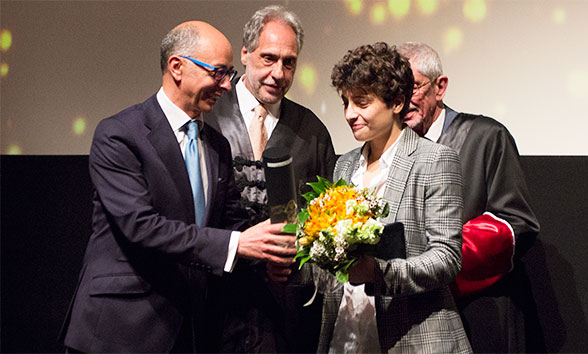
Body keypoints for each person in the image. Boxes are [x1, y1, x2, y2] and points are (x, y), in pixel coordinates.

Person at [59, 21, 297, 353]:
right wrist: (239, 243)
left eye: (229, 74)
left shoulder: (215, 144)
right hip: (119, 330)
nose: (227, 85)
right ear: (177, 67)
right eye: (218, 73)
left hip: (190, 330)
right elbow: (141, 226)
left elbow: (230, 223)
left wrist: (267, 252)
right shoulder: (120, 135)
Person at [306, 42, 472, 353]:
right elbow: (332, 264)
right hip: (347, 334)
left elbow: (447, 257)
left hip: (414, 336)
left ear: (397, 102)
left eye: (362, 102)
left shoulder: (434, 160)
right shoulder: (345, 164)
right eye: (345, 103)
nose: (349, 114)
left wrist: (380, 273)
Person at [202, 5, 335, 353]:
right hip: (216, 301)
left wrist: (299, 252)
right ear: (244, 54)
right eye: (268, 58)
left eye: (288, 62)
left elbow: (326, 216)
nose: (278, 73)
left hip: (285, 311)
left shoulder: (311, 132)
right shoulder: (208, 119)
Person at [398, 42, 541, 352]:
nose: (403, 101)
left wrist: (439, 259)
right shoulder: (393, 150)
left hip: (479, 308)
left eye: (413, 88)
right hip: (412, 314)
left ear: (440, 87)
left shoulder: (486, 137)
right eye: (394, 91)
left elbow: (516, 221)